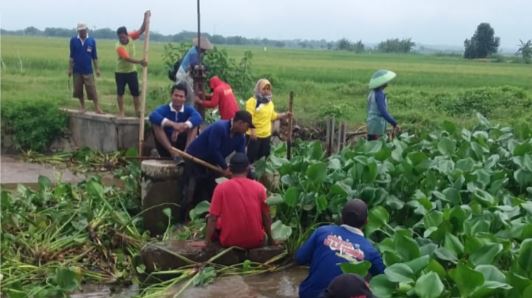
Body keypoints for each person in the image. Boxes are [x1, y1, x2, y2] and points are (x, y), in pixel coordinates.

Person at [295, 199, 385, 298]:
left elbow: (299, 258)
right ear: (367, 221)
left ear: (341, 217)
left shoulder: (322, 231)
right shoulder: (371, 251)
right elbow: (385, 279)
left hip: (308, 294)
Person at [179, 110, 254, 222]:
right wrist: (225, 167)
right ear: (239, 123)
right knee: (190, 190)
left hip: (212, 162)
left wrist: (248, 174)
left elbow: (241, 157)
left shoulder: (240, 138)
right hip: (195, 159)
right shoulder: (220, 127)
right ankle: (181, 220)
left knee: (209, 191)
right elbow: (213, 149)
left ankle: (202, 220)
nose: (247, 130)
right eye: (247, 126)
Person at [199, 153, 275, 249]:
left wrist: (206, 242)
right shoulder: (259, 187)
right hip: (256, 241)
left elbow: (212, 218)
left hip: (229, 242)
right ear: (248, 169)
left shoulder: (221, 188)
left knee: (209, 218)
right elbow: (266, 216)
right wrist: (271, 240)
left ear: (230, 169)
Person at [149, 83, 202, 158]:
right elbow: (153, 115)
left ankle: (186, 153)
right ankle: (172, 151)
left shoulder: (188, 109)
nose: (178, 98)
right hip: (167, 145)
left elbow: (198, 117)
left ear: (185, 98)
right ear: (171, 95)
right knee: (156, 124)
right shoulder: (164, 109)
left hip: (183, 143)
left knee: (194, 125)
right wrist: (173, 125)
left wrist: (183, 126)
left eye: (181, 96)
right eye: (176, 95)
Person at [245, 79, 292, 163]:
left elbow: (273, 116)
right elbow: (248, 117)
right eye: (264, 89)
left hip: (266, 135)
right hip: (254, 136)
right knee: (251, 159)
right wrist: (252, 130)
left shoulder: (269, 103)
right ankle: (249, 175)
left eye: (268, 89)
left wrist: (285, 114)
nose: (266, 91)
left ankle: (261, 176)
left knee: (263, 160)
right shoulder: (252, 101)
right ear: (258, 89)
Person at [115, 10, 150, 117]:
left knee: (135, 92)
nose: (122, 39)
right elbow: (127, 58)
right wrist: (140, 61)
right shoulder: (119, 46)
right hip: (120, 72)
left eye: (123, 36)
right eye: (120, 37)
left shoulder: (131, 36)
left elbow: (142, 30)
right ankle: (121, 111)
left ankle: (137, 111)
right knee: (120, 93)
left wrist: (145, 18)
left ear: (126, 34)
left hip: (131, 72)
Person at [68, 23, 102, 114]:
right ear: (78, 31)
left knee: (92, 89)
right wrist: (70, 69)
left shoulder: (91, 41)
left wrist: (97, 69)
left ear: (86, 30)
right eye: (80, 30)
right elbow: (71, 56)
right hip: (77, 70)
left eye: (84, 30)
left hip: (88, 70)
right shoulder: (73, 40)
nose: (82, 32)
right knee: (78, 90)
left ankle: (97, 108)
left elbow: (94, 57)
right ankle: (82, 106)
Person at [175, 36, 213, 104]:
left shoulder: (195, 51)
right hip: (183, 75)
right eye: (204, 49)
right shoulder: (194, 53)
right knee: (187, 94)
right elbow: (194, 65)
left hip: (185, 74)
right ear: (201, 48)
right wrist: (204, 66)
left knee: (188, 94)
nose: (205, 51)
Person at [366, 69, 399, 140]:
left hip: (371, 124)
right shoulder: (379, 94)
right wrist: (394, 123)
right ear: (381, 83)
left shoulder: (372, 93)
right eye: (385, 81)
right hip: (377, 126)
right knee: (376, 147)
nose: (387, 82)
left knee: (370, 146)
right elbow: (383, 112)